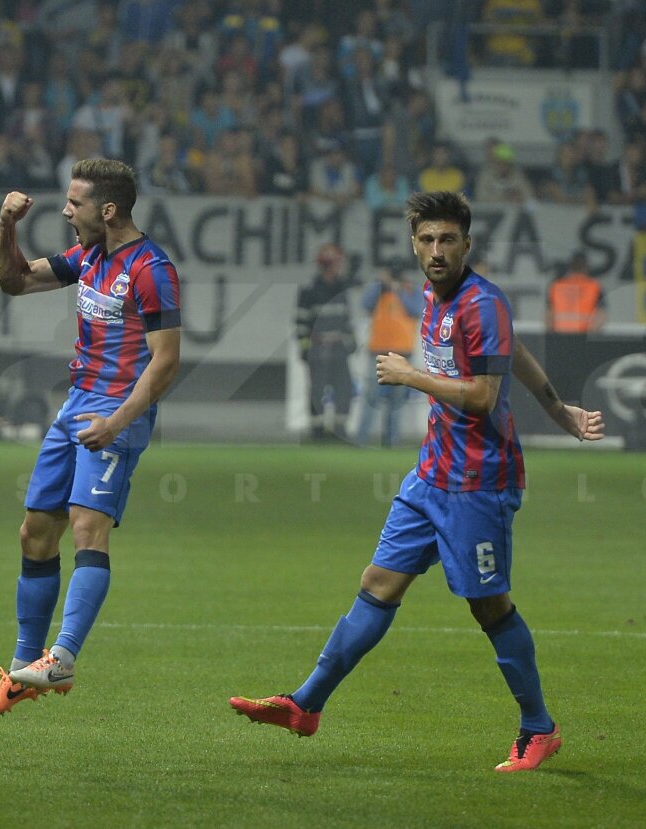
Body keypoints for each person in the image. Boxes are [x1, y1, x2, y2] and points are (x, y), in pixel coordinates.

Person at [231, 191, 604, 773]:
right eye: (427, 239)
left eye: (447, 240)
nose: (436, 250)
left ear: (466, 244)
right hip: (430, 475)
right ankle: (306, 704)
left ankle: (539, 728)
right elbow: (518, 354)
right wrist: (560, 409)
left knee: (489, 605)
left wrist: (412, 376)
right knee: (377, 582)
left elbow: (482, 396)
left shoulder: (482, 303)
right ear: (414, 243)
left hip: (478, 482)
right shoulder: (435, 294)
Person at [0, 159, 182, 718]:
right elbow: (14, 282)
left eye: (75, 203)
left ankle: (62, 657)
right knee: (35, 533)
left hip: (117, 414)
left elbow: (165, 363)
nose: (66, 211)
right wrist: (5, 228)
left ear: (107, 210)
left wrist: (117, 423)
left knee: (88, 526)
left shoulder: (151, 269)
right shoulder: (89, 257)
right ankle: (22, 670)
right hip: (74, 408)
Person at [296, 243, 357, 442]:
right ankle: (318, 430)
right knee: (317, 389)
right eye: (336, 264)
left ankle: (339, 429)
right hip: (318, 346)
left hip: (338, 345)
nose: (339, 267)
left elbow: (346, 318)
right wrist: (304, 347)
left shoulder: (341, 287)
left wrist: (352, 340)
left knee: (344, 388)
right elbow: (302, 321)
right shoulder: (310, 290)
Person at [356, 266, 420, 447]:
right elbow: (365, 304)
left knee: (397, 400)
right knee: (371, 397)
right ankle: (362, 439)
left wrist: (398, 290)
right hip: (377, 350)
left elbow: (415, 310)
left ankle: (392, 441)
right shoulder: (379, 290)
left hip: (402, 352)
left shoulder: (411, 290)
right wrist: (380, 285)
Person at [546, 252, 606, 334]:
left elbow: (549, 316)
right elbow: (601, 316)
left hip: (560, 336)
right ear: (587, 267)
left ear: (570, 266)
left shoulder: (556, 286)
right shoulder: (595, 286)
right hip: (584, 337)